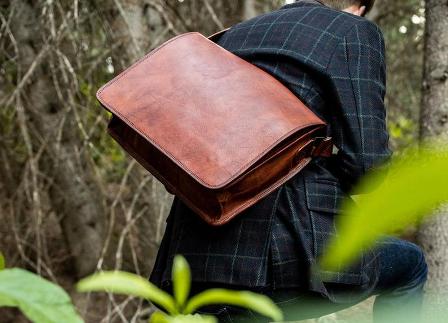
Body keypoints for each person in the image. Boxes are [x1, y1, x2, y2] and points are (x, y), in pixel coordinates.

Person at [149, 0, 428, 322]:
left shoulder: (232, 36)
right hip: (289, 261)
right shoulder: (352, 30)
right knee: (410, 265)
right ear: (357, 6)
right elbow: (367, 164)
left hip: (194, 261)